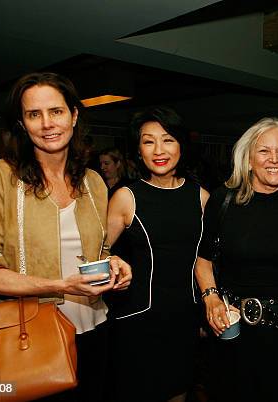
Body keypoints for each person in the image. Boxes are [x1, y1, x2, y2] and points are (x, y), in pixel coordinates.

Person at [0, 72, 132, 402]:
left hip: (94, 328)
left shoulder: (93, 181)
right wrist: (59, 286)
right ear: (22, 124)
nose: (47, 123)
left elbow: (98, 248)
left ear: (74, 115)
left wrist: (113, 262)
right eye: (33, 114)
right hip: (25, 335)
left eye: (56, 111)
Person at [194, 117, 278, 402]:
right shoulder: (223, 201)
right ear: (247, 159)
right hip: (234, 334)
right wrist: (210, 298)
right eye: (264, 151)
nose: (274, 159)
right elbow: (203, 259)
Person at [105, 106, 209, 402]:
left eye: (167, 140)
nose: (158, 150)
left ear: (181, 145)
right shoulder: (127, 197)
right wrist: (110, 264)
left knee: (179, 390)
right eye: (148, 141)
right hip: (138, 319)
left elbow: (210, 260)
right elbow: (98, 252)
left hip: (185, 318)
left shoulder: (200, 196)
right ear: (138, 150)